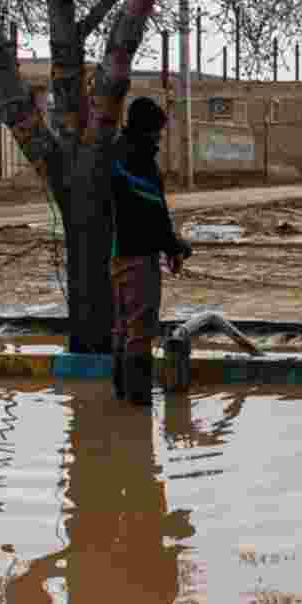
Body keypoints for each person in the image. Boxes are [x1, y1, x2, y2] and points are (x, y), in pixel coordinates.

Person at [110, 97, 193, 405]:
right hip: (138, 256)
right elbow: (153, 215)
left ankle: (122, 395)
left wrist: (171, 246)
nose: (159, 137)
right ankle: (138, 404)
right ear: (147, 129)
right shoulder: (138, 160)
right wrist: (175, 247)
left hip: (118, 254)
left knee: (123, 327)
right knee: (140, 330)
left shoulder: (117, 153)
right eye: (157, 131)